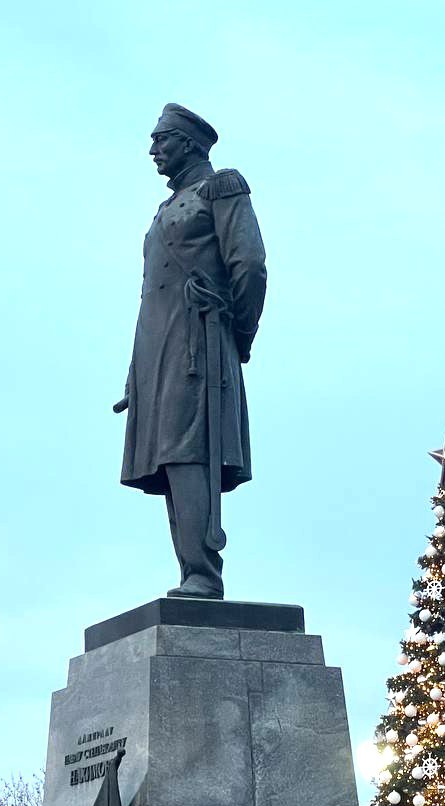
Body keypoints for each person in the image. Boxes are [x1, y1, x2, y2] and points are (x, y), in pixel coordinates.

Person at [114, 103, 267, 600]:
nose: (153, 149)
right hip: (158, 349)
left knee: (188, 454)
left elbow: (250, 266)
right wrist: (135, 374)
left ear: (189, 143)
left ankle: (203, 573)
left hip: (200, 343)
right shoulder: (164, 209)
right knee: (169, 460)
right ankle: (191, 571)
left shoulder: (221, 188)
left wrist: (235, 333)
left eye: (162, 139)